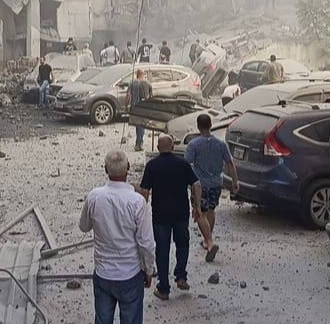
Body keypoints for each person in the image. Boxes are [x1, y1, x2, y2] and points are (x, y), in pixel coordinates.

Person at [80, 150, 155, 324]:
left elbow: (84, 227)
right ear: (128, 167)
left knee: (102, 319)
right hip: (130, 273)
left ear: (106, 169)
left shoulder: (95, 196)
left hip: (103, 272)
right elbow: (146, 242)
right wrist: (149, 269)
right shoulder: (137, 201)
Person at [140, 135, 201, 301]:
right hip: (181, 213)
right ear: (173, 147)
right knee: (183, 244)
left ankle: (164, 288)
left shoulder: (152, 166)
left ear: (158, 148)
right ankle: (181, 276)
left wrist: (142, 213)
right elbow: (196, 184)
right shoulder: (183, 164)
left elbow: (145, 191)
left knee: (162, 249)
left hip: (160, 215)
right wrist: (197, 207)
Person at [184, 114, 239, 262]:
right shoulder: (221, 144)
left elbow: (186, 164)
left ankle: (209, 242)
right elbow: (230, 163)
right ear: (210, 125)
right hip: (216, 183)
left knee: (200, 213)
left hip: (200, 184)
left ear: (198, 126)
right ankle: (207, 239)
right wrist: (235, 181)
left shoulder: (194, 145)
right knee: (211, 211)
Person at [127, 69, 152, 152]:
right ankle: (139, 143)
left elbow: (128, 95)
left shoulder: (132, 83)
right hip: (144, 107)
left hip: (135, 107)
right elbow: (151, 96)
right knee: (142, 125)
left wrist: (127, 105)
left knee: (138, 125)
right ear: (143, 74)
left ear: (136, 74)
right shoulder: (147, 83)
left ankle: (139, 142)